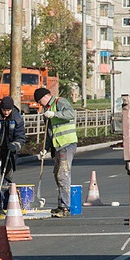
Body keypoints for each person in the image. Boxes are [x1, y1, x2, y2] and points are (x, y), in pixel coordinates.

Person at [34, 87, 78, 217]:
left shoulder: (60, 102)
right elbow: (49, 132)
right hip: (57, 146)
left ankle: (65, 208)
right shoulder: (47, 111)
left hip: (67, 143)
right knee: (57, 174)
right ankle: (61, 205)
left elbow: (71, 114)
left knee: (63, 174)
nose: (39, 104)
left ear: (45, 97)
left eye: (39, 101)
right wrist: (45, 149)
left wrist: (55, 114)